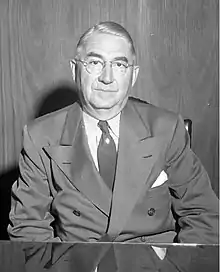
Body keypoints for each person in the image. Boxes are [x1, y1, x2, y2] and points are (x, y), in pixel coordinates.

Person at [8, 21, 218, 266]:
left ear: (133, 74)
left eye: (119, 65)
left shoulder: (166, 129)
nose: (107, 78)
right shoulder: (40, 136)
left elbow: (203, 214)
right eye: (95, 63)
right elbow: (29, 229)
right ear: (75, 69)